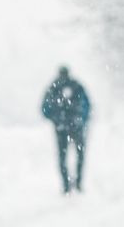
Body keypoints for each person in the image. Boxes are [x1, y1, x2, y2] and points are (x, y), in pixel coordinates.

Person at [41, 66, 90, 194]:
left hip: (62, 128)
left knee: (63, 157)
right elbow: (87, 106)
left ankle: (67, 185)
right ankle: (76, 183)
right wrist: (80, 120)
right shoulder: (75, 86)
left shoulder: (54, 87)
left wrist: (56, 120)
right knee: (78, 155)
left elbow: (45, 109)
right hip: (75, 127)